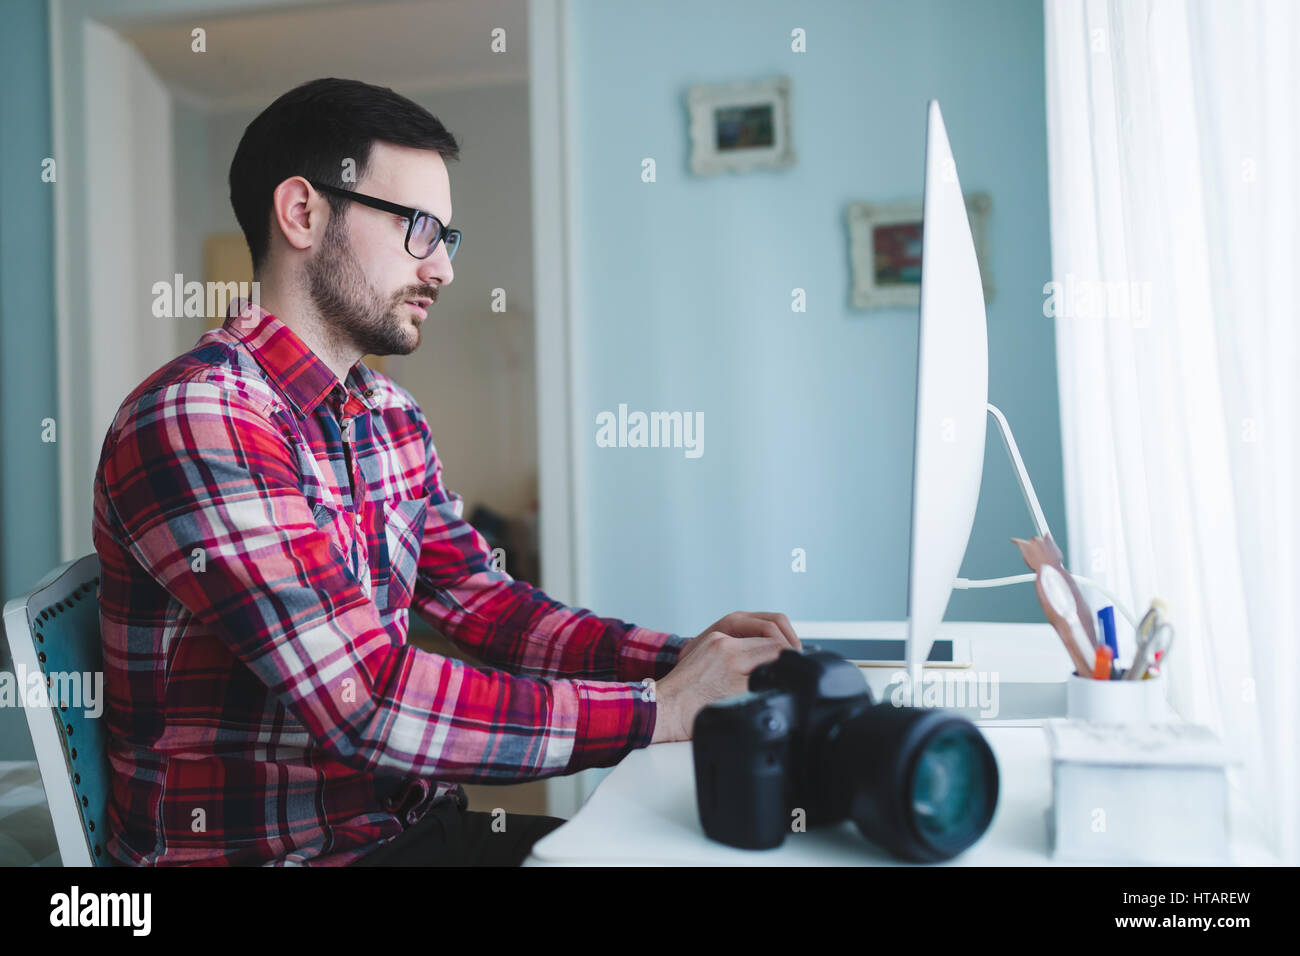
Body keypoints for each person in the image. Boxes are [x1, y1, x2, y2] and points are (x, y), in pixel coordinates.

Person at [92, 77, 800, 867]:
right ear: (303, 213)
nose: (444, 270)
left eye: (447, 238)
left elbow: (485, 604)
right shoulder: (200, 418)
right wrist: (656, 709)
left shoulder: (389, 415)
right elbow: (369, 702)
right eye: (420, 229)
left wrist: (683, 662)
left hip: (408, 832)